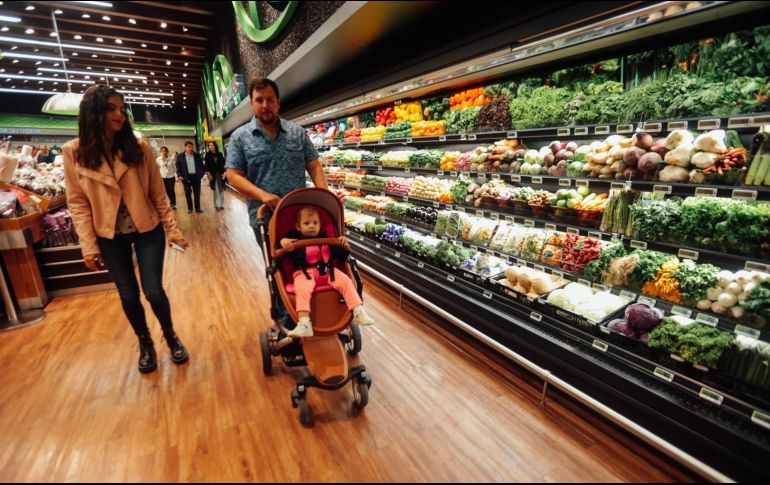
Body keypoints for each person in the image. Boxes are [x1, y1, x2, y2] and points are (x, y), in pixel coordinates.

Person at [62, 85, 190, 374]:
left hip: (147, 229)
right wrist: (88, 246)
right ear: (93, 113)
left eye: (122, 108)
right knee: (128, 295)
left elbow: (158, 194)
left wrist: (172, 230)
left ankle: (170, 335)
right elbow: (78, 203)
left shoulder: (138, 148)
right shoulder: (74, 152)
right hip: (109, 236)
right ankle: (145, 342)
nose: (119, 114)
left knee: (153, 291)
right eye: (111, 108)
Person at [225, 77, 332, 325]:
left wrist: (324, 197)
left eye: (270, 100)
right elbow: (233, 175)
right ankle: (287, 315)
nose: (265, 105)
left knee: (310, 260)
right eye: (259, 100)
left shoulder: (297, 133)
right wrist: (262, 195)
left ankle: (313, 307)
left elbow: (315, 167)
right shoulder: (240, 137)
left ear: (278, 102)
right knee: (277, 266)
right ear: (252, 104)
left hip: (301, 218)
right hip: (265, 217)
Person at [278, 206, 374, 338]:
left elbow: (341, 257)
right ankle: (304, 323)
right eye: (307, 223)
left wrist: (343, 246)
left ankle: (358, 311)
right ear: (298, 226)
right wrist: (282, 242)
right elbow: (280, 254)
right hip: (305, 273)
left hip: (329, 272)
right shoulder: (293, 238)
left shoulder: (327, 238)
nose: (312, 226)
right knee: (302, 288)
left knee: (346, 280)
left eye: (315, 223)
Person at [176, 141, 205, 213]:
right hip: (186, 177)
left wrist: (201, 175)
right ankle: (190, 208)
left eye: (192, 147)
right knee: (187, 193)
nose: (191, 148)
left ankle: (198, 208)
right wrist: (179, 175)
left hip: (196, 177)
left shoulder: (197, 155)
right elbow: (178, 167)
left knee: (197, 193)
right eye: (189, 147)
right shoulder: (180, 156)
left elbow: (202, 166)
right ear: (185, 147)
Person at [204, 141, 226, 211]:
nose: (211, 147)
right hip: (213, 175)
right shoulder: (207, 155)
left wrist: (225, 173)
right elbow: (206, 166)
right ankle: (217, 205)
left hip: (220, 174)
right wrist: (208, 174)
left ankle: (221, 204)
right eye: (209, 146)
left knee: (221, 189)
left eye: (212, 145)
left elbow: (224, 164)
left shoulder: (220, 154)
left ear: (215, 146)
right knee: (216, 189)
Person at [156, 146, 177, 210]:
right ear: (160, 152)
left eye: (165, 151)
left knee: (171, 190)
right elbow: (157, 168)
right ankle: (171, 201)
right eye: (162, 151)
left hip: (171, 176)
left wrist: (174, 174)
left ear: (167, 152)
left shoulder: (171, 159)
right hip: (163, 177)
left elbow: (174, 168)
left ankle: (173, 204)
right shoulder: (158, 159)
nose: (164, 152)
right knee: (166, 190)